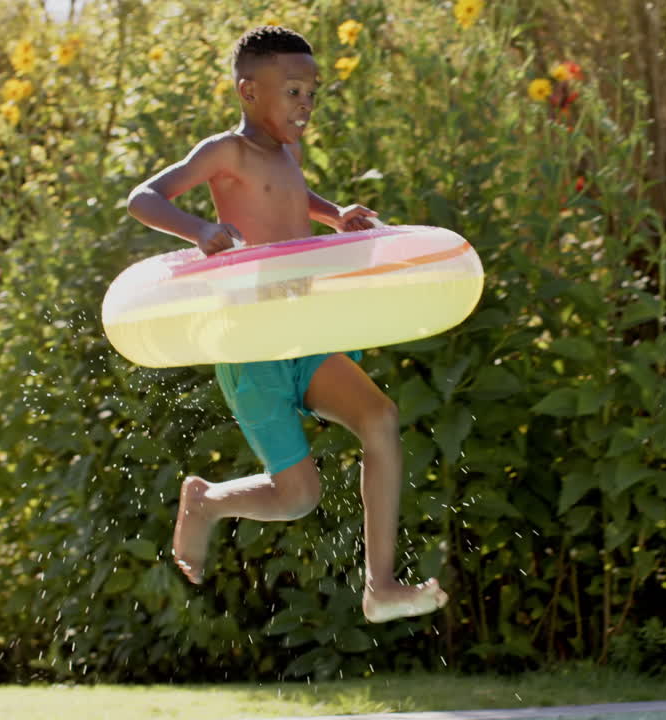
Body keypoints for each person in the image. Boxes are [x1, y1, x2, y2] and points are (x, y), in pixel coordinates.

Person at [126, 25, 448, 623]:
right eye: (293, 91)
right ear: (249, 92)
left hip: (303, 332)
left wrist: (333, 215)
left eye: (312, 92)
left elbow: (290, 197)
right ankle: (208, 500)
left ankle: (381, 587)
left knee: (380, 418)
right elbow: (144, 196)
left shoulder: (288, 154)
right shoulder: (226, 152)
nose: (306, 103)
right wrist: (198, 231)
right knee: (299, 498)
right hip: (251, 345)